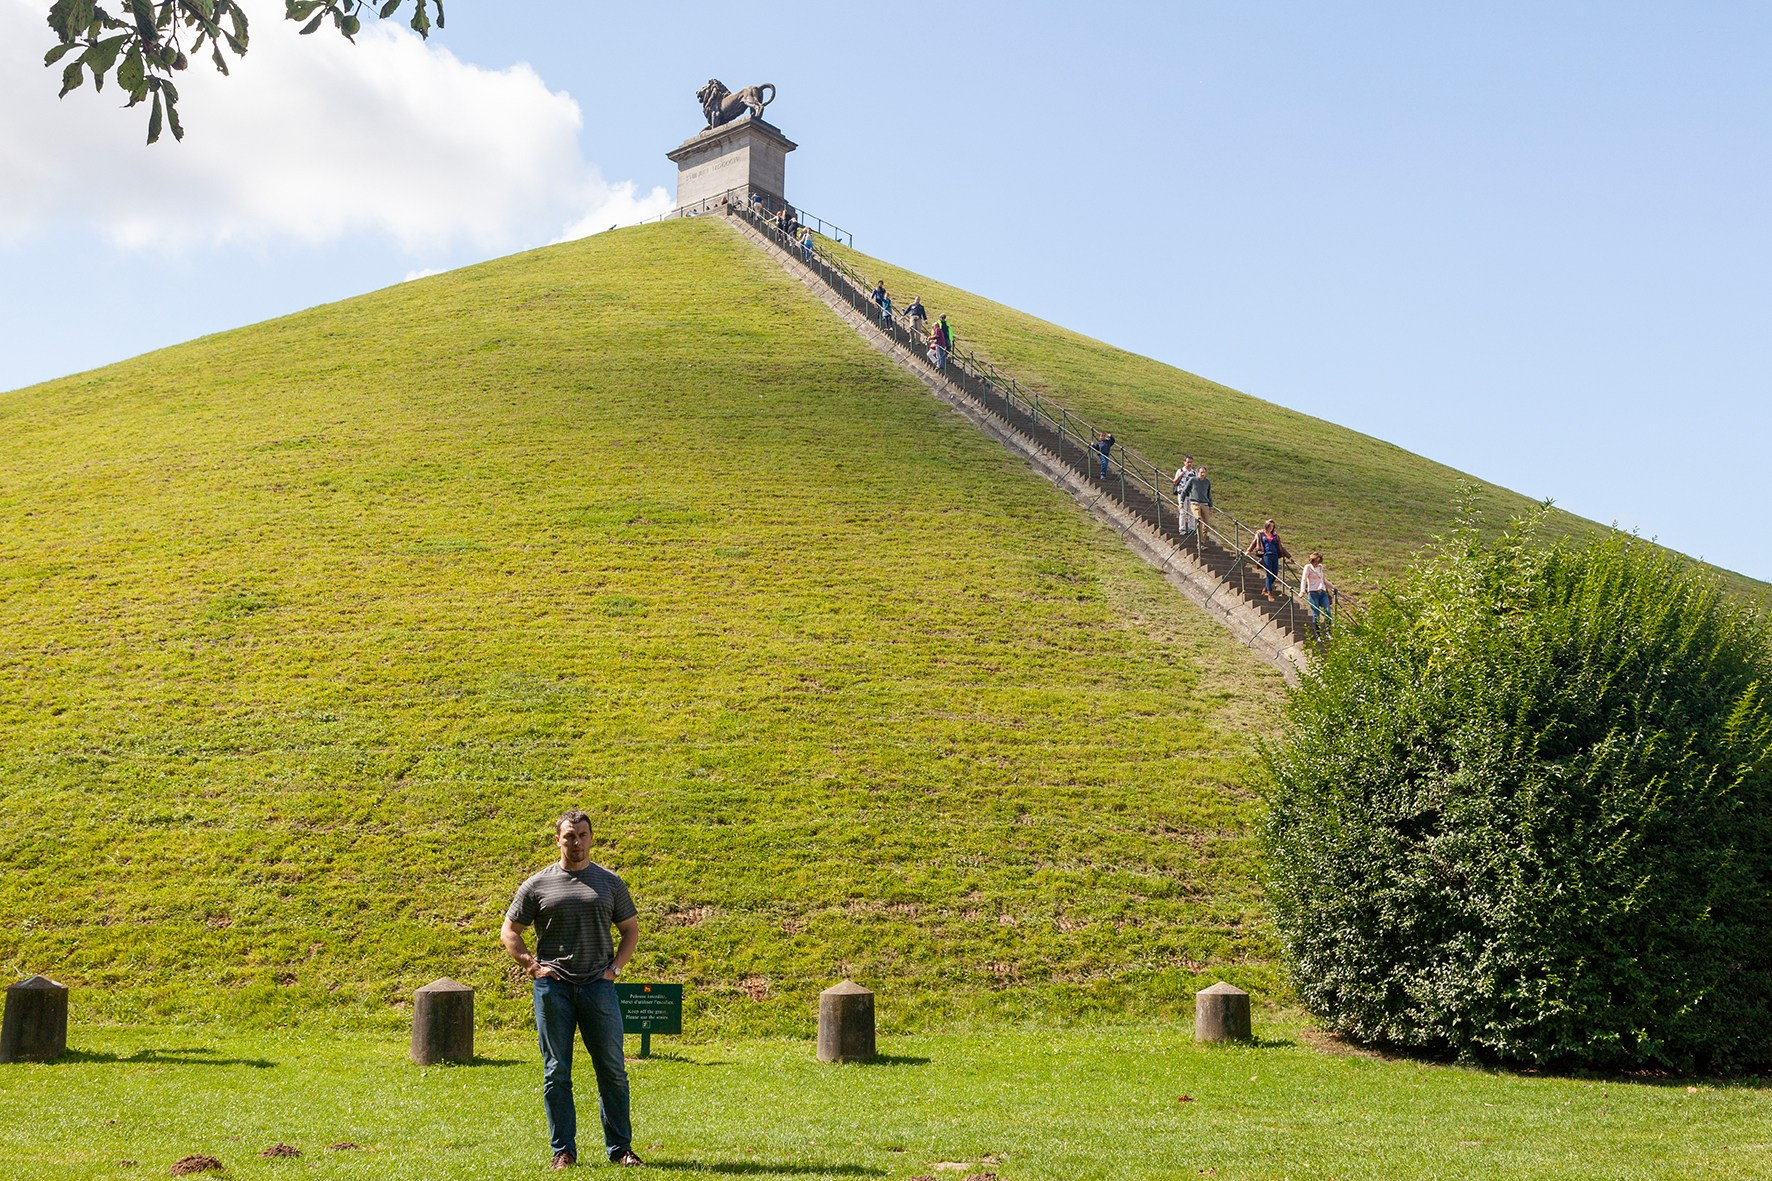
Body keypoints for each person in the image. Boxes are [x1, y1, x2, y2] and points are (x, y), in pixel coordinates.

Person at [502, 811, 644, 1171]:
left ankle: (621, 1150)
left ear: (592, 838)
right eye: (569, 836)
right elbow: (510, 931)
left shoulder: (610, 883)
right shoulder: (537, 884)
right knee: (556, 1072)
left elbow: (630, 929)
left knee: (612, 1069)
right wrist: (533, 967)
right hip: (555, 990)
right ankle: (562, 1151)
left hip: (599, 987)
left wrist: (615, 969)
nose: (576, 842)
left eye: (582, 835)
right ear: (558, 840)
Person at [1247, 519, 1292, 601]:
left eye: (1272, 526)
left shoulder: (1275, 535)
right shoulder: (1260, 534)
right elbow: (1254, 542)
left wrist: (1289, 556)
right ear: (1266, 526)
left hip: (1275, 555)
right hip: (1266, 555)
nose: (1271, 528)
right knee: (1269, 574)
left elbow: (1281, 547)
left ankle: (1265, 589)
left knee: (1275, 574)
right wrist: (1249, 551)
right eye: (1270, 526)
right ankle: (1269, 594)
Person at [1301, 551, 1333, 632]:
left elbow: (1323, 580)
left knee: (1328, 611)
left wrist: (1332, 587)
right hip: (1313, 592)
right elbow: (1304, 579)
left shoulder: (1320, 567)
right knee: (1316, 613)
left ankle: (1328, 631)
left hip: (1322, 592)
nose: (1317, 563)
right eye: (1316, 561)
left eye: (1319, 561)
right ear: (1312, 560)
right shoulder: (1308, 567)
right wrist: (1302, 591)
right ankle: (1318, 633)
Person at [1186, 466, 1213, 536]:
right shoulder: (1193, 480)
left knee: (1207, 525)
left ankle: (1202, 542)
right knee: (1199, 520)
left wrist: (1211, 506)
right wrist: (1181, 502)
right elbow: (1184, 491)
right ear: (1197, 473)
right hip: (1195, 504)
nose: (1203, 474)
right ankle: (1199, 543)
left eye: (1204, 472)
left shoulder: (1207, 482)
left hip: (1205, 504)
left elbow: (1209, 494)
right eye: (1201, 472)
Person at [1172, 458, 1196, 534]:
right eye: (1188, 462)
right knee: (1182, 511)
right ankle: (1182, 528)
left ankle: (1191, 528)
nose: (1189, 464)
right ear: (1184, 462)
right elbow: (1175, 482)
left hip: (1191, 494)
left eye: (1191, 462)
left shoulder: (1194, 472)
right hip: (1181, 493)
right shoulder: (1180, 471)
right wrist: (1181, 476)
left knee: (1191, 512)